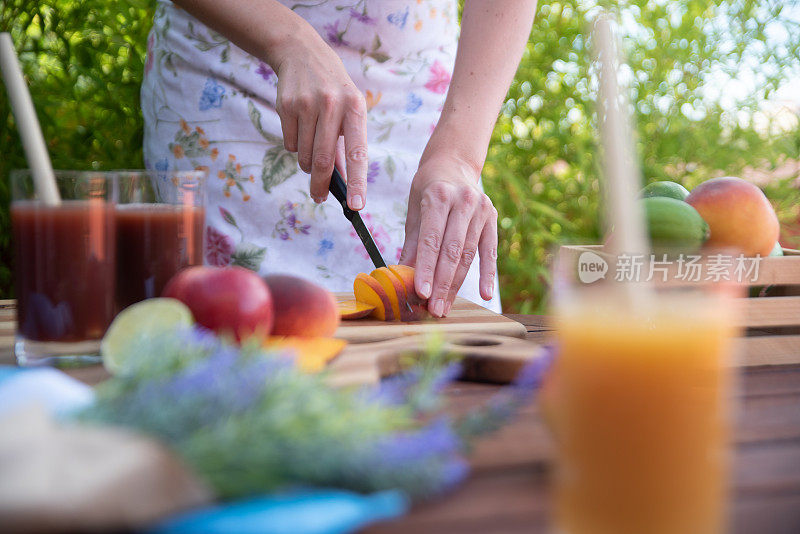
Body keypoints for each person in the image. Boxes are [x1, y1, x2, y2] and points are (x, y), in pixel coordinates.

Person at [141, 0, 536, 317]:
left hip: (423, 92)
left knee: (448, 348)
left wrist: (460, 155)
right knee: (247, 344)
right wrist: (290, 40)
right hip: (232, 78)